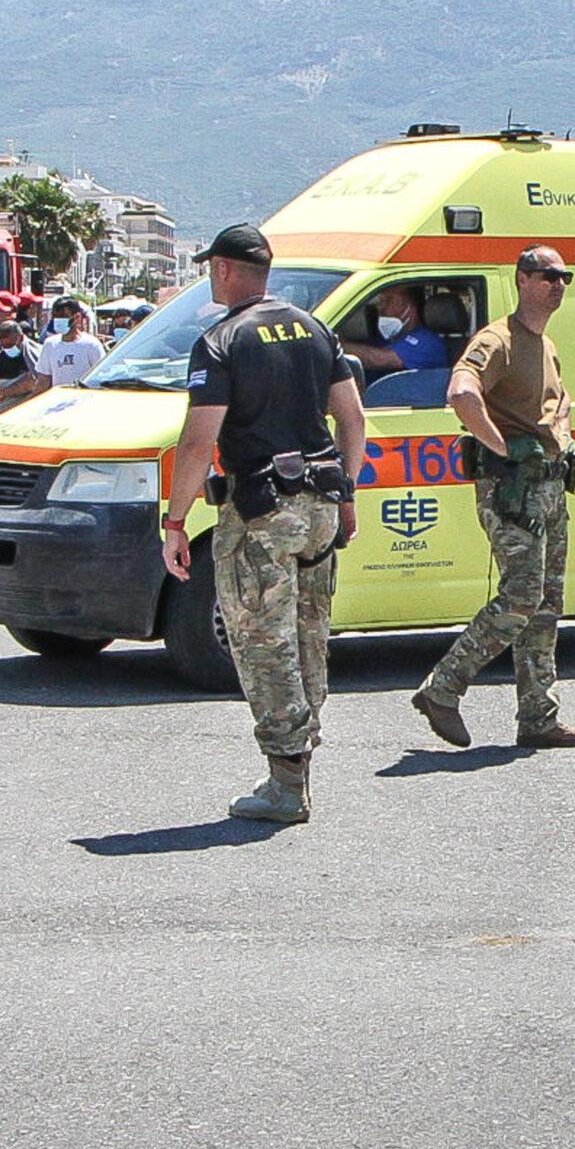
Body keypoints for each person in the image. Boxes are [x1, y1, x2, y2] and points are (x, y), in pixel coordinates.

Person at [160, 223, 366, 825]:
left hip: (261, 515)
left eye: (209, 268)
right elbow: (352, 420)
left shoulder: (222, 340)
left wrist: (176, 521)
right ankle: (302, 762)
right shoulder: (315, 328)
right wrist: (347, 490)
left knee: (262, 645)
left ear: (224, 269)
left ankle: (285, 784)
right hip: (320, 509)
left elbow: (199, 441)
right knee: (309, 638)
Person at [409, 245, 575, 754]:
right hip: (514, 491)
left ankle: (539, 715)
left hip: (550, 486)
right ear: (522, 279)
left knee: (546, 604)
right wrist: (503, 451)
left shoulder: (544, 343)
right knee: (521, 597)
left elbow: (560, 399)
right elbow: (461, 393)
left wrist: (562, 431)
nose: (557, 284)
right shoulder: (498, 340)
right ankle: (443, 688)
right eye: (547, 276)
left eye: (564, 277)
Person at [341, 284, 447, 375]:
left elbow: (378, 359)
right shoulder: (389, 338)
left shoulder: (428, 341)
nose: (380, 308)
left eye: (388, 301)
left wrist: (334, 345)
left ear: (408, 306)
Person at [0, 321, 50, 410]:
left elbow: (35, 382)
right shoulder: (1, 359)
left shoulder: (36, 353)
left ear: (20, 338)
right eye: (4, 346)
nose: (8, 349)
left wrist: (5, 392)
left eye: (10, 345)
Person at [44, 302, 106, 387]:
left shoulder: (91, 345)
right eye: (55, 316)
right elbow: (43, 379)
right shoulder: (50, 344)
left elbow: (101, 376)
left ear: (77, 317)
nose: (58, 319)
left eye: (63, 316)